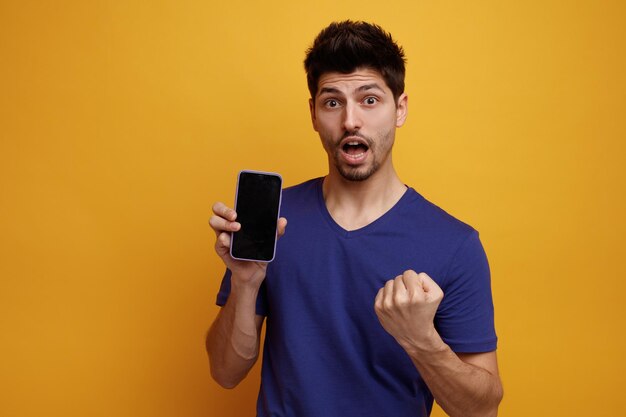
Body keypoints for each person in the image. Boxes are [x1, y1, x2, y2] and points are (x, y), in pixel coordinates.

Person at [206, 20, 503, 417]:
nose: (350, 121)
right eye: (332, 102)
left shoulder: (455, 245)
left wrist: (420, 340)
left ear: (399, 109)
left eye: (369, 100)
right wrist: (244, 284)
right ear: (313, 114)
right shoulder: (273, 224)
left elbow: (480, 411)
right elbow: (225, 372)